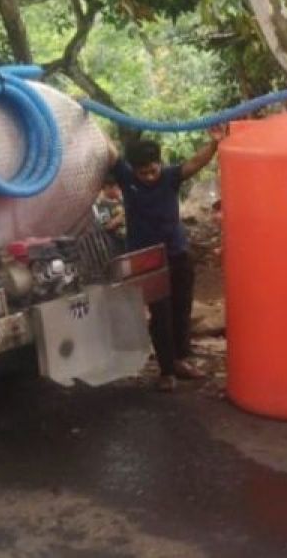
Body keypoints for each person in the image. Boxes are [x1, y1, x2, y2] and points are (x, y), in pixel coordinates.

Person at [107, 129, 223, 392]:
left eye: (153, 169)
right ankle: (166, 370)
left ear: (160, 162)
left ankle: (182, 360)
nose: (149, 175)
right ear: (133, 170)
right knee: (160, 314)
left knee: (182, 308)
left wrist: (215, 143)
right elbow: (112, 154)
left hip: (177, 252)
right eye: (143, 172)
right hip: (147, 259)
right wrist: (86, 117)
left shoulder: (170, 177)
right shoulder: (126, 178)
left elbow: (195, 163)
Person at [94, 173, 126, 255]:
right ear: (107, 188)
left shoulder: (121, 200)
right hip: (119, 242)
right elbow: (106, 226)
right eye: (116, 187)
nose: (119, 190)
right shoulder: (102, 205)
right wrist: (121, 217)